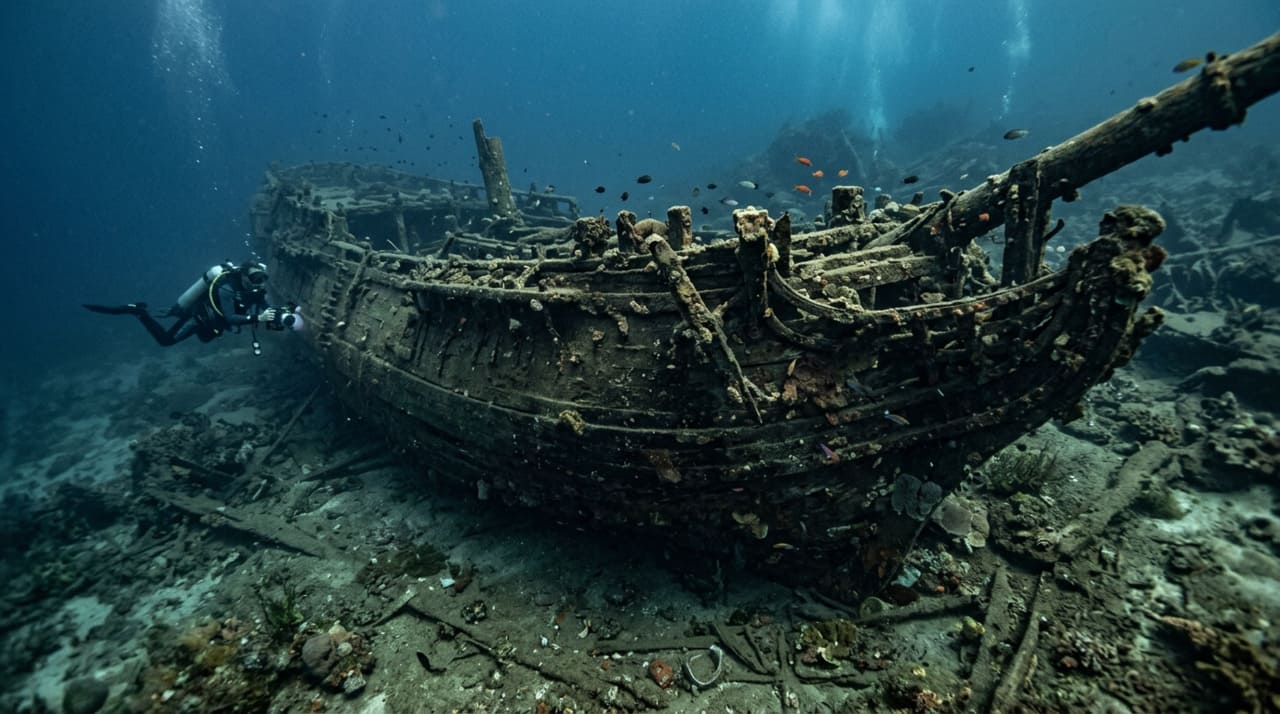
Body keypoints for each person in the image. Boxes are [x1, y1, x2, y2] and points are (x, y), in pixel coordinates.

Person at [84, 260, 297, 352]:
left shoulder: (254, 290)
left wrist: (279, 314)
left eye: (262, 278)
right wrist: (257, 319)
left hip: (216, 323)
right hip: (200, 318)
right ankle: (138, 312)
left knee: (207, 338)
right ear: (242, 275)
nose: (258, 283)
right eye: (254, 278)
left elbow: (264, 306)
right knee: (166, 341)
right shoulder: (226, 288)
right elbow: (231, 317)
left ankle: (140, 311)